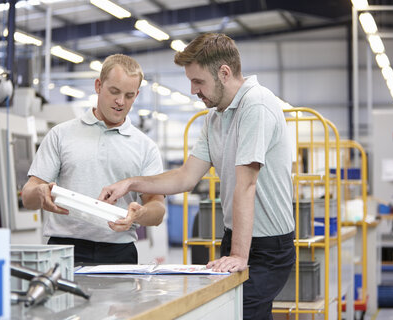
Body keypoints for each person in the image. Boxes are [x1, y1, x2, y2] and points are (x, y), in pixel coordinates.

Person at [99, 33, 295, 320]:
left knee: (241, 312)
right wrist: (131, 183)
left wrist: (240, 256)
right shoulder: (215, 117)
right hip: (235, 238)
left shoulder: (257, 105)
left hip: (268, 247)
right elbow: (185, 177)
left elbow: (247, 184)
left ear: (224, 73)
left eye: (198, 81)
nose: (193, 90)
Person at [22, 54, 165, 265]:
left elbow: (158, 210)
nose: (120, 102)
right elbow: (28, 197)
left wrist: (140, 214)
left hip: (120, 252)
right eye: (114, 92)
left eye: (129, 95)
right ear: (98, 85)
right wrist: (39, 192)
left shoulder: (146, 147)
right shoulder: (61, 134)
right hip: (64, 250)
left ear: (136, 95)